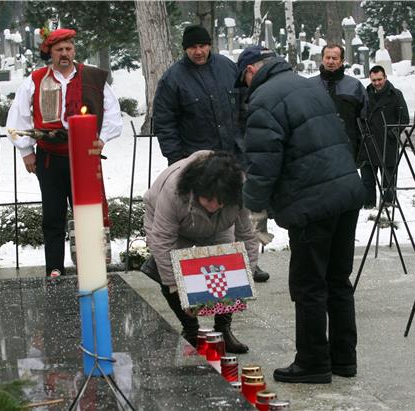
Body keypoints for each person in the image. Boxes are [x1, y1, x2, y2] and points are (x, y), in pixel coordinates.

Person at [236, 46, 365, 383]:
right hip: (345, 191)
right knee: (337, 280)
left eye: (244, 79)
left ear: (251, 70)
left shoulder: (264, 99)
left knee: (308, 285)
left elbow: (262, 164)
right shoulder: (309, 85)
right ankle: (343, 359)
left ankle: (312, 362)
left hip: (312, 202)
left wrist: (255, 211)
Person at [153, 24, 270, 283]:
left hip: (233, 153)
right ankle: (194, 267)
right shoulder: (173, 78)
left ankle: (252, 262)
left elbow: (244, 103)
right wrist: (178, 161)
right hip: (197, 159)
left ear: (209, 45)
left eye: (203, 45)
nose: (198, 51)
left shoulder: (227, 68)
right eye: (193, 47)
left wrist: (246, 136)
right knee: (203, 214)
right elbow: (164, 122)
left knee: (246, 211)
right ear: (185, 49)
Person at [6, 28, 122, 277]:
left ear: (74, 50)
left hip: (85, 156)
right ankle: (55, 268)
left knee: (88, 213)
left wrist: (102, 139)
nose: (65, 54)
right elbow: (18, 118)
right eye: (59, 50)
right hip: (49, 156)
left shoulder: (91, 77)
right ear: (50, 52)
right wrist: (26, 152)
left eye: (69, 48)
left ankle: (92, 268)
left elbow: (113, 113)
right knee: (53, 215)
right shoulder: (36, 80)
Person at [142, 150, 258, 354]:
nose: (213, 206)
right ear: (197, 190)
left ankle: (223, 330)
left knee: (228, 270)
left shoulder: (238, 190)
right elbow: (162, 240)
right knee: (166, 273)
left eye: (220, 202)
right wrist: (176, 287)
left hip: (218, 227)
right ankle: (191, 329)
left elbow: (247, 236)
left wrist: (244, 276)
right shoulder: (174, 191)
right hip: (174, 226)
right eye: (208, 200)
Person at [309, 43, 368, 166]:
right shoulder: (308, 86)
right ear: (322, 59)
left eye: (335, 58)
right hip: (315, 151)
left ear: (342, 61)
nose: (330, 61)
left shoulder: (354, 87)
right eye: (327, 57)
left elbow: (365, 122)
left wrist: (362, 153)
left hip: (347, 151)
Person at [361, 65, 409, 208]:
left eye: (379, 79)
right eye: (374, 80)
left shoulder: (395, 95)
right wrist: (363, 132)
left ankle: (388, 205)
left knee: (388, 180)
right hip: (368, 144)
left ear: (385, 78)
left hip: (388, 144)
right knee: (367, 179)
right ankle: (368, 206)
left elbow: (404, 119)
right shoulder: (365, 94)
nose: (377, 83)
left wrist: (391, 133)